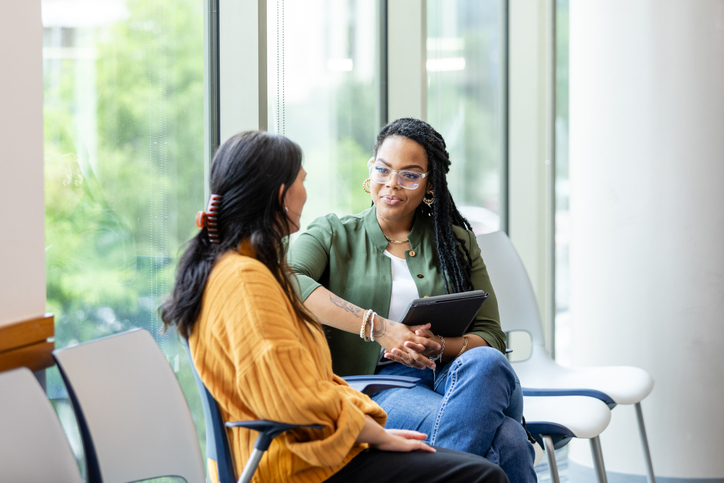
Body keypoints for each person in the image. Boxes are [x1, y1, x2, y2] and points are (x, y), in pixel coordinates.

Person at [160, 130, 508, 483]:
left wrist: (373, 424)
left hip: (321, 441)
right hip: (301, 460)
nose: (392, 184)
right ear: (283, 194)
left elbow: (305, 385)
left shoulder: (244, 271)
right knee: (499, 452)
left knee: (491, 378)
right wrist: (374, 429)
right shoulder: (248, 279)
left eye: (410, 175)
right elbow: (292, 398)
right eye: (302, 181)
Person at [288, 118, 537, 482]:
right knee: (509, 438)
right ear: (370, 169)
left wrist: (437, 346)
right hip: (380, 386)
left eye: (410, 175)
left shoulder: (456, 242)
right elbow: (288, 282)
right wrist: (381, 329)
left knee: (487, 361)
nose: (392, 184)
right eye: (383, 169)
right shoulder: (332, 233)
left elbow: (492, 336)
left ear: (430, 184)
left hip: (459, 377)